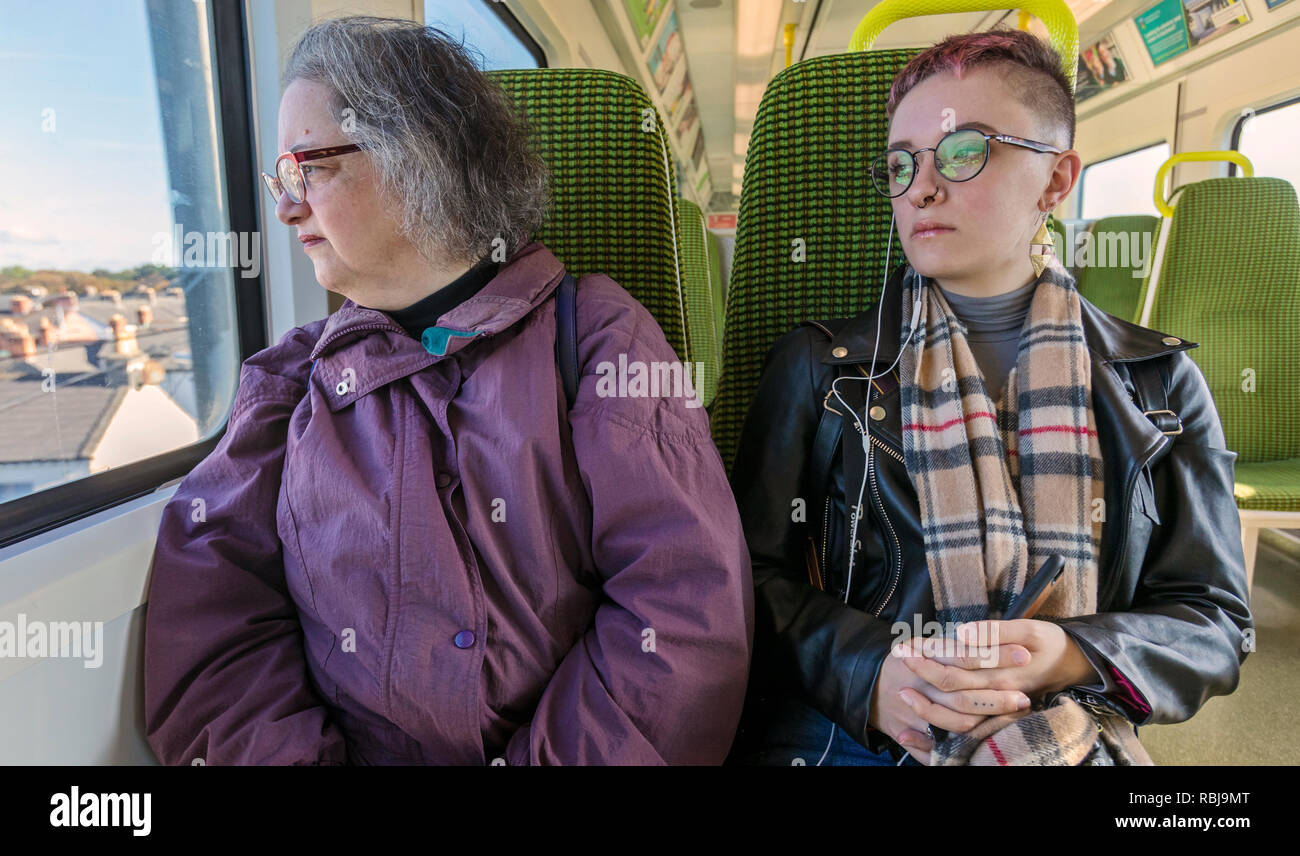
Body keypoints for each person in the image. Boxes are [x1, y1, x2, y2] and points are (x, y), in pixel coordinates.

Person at [143, 16, 753, 765]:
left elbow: (680, 614)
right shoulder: (286, 383)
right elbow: (216, 630)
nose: (285, 207)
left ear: (419, 158)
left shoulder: (597, 338)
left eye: (310, 170)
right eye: (282, 179)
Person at [729, 28, 1252, 766]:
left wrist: (1069, 653)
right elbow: (742, 578)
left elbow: (1214, 620)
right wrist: (870, 671)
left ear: (1056, 179)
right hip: (852, 732)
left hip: (1068, 732)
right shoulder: (822, 370)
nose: (922, 187)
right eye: (900, 163)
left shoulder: (1158, 386)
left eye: (963, 151)